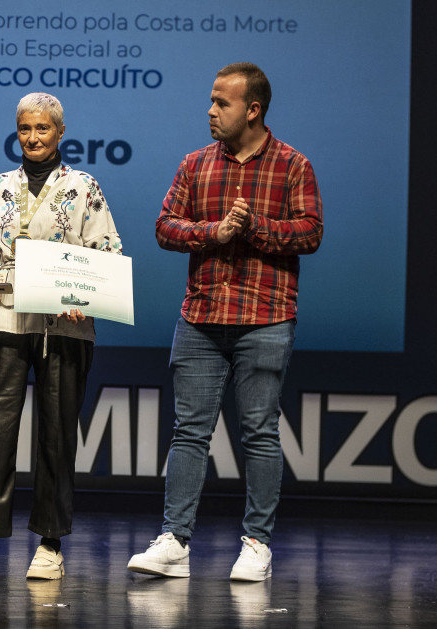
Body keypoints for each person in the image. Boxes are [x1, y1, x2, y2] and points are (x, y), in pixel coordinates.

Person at [127, 62, 323, 581]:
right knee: (189, 431)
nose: (211, 111)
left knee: (259, 431)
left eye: (222, 103)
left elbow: (310, 232)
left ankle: (257, 544)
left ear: (253, 109)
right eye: (212, 101)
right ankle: (175, 540)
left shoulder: (292, 165)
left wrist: (255, 228)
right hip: (202, 316)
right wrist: (212, 232)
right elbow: (165, 226)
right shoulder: (196, 164)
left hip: (266, 316)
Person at [0, 92, 123, 580]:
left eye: (43, 129)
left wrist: (86, 296)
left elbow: (108, 256)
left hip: (66, 326)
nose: (33, 138)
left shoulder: (84, 187)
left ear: (60, 132)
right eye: (25, 129)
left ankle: (51, 545)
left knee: (57, 436)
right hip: (4, 320)